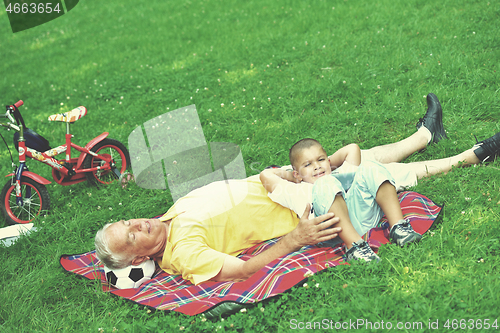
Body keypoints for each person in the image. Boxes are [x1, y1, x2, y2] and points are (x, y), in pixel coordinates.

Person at [95, 93, 500, 284]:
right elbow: (239, 270)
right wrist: (294, 239)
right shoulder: (182, 252)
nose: (137, 224)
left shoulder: (168, 215)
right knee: (373, 170)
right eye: (131, 236)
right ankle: (472, 156)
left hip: (279, 183)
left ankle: (426, 135)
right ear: (141, 254)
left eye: (127, 221)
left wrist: (276, 174)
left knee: (359, 155)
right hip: (302, 206)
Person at [260, 93, 500, 262]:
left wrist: (328, 163)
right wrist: (293, 175)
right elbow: (265, 176)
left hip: (364, 214)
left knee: (371, 167)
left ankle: (399, 227)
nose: (317, 167)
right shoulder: (295, 190)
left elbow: (353, 149)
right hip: (334, 230)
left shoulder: (340, 173)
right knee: (325, 184)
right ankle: (355, 247)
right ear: (296, 173)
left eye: (320, 160)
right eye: (308, 165)